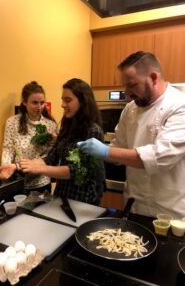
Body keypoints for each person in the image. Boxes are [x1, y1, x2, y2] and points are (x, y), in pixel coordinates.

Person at [77, 51, 185, 218]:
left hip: (170, 211)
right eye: (125, 85)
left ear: (154, 78)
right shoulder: (130, 109)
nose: (127, 92)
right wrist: (97, 154)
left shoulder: (179, 105)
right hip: (135, 205)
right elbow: (120, 146)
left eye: (132, 85)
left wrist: (105, 151)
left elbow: (159, 157)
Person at [19, 78, 105, 205]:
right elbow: (51, 158)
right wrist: (18, 166)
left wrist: (40, 169)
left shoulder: (93, 131)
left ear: (83, 101)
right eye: (62, 100)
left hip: (83, 200)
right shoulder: (67, 127)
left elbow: (75, 171)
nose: (63, 104)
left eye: (68, 100)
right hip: (62, 196)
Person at [0, 81, 58, 193]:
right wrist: (6, 167)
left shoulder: (51, 125)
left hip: (42, 181)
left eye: (42, 102)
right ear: (24, 102)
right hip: (17, 181)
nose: (39, 107)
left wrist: (54, 144)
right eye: (34, 103)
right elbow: (8, 148)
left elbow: (51, 156)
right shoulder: (12, 122)